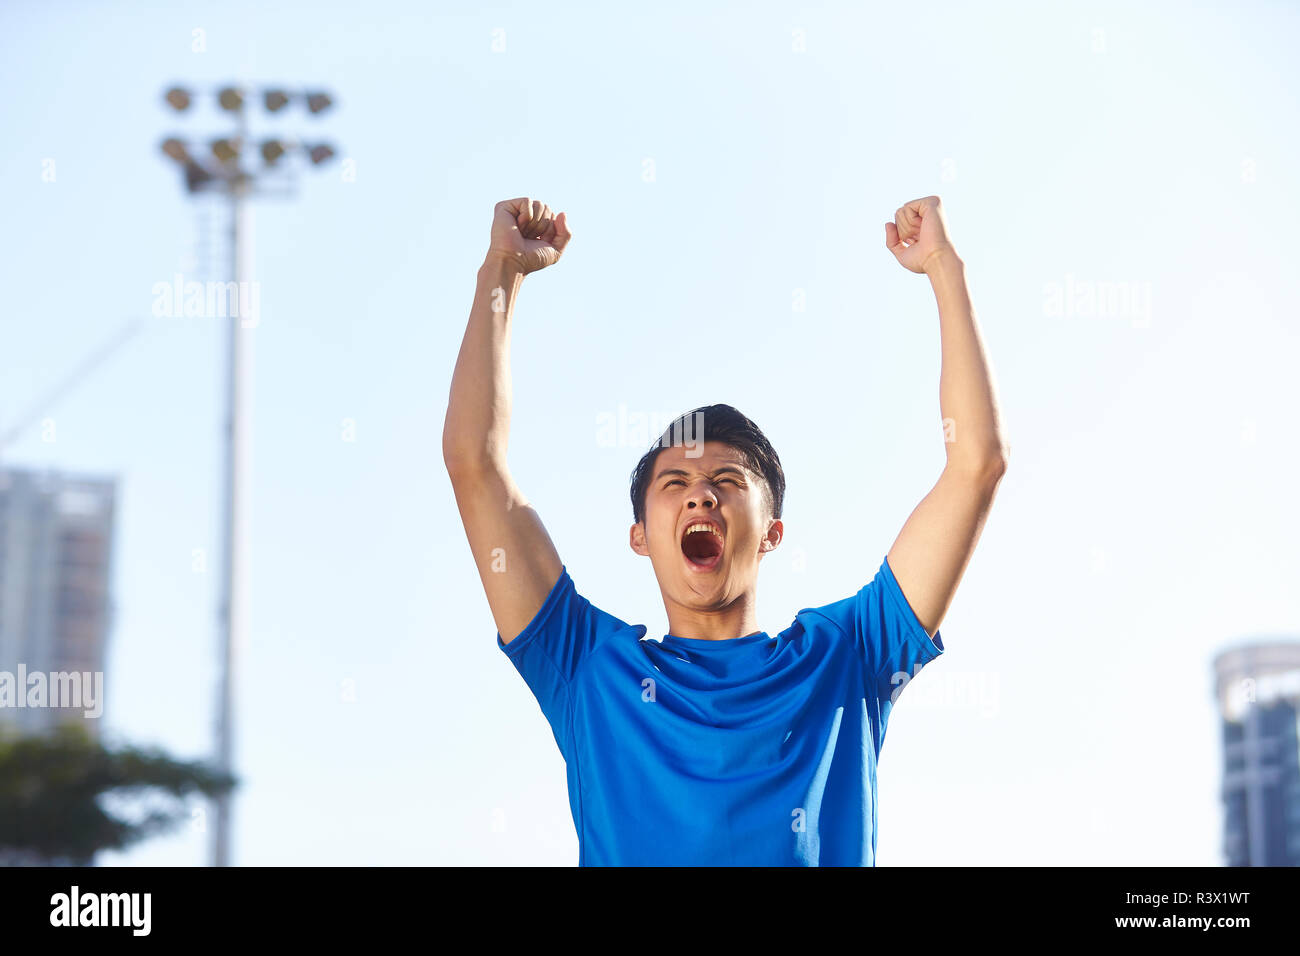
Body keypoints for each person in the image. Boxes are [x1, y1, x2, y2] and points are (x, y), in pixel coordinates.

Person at [442, 196, 1008, 865]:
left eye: (729, 483)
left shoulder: (846, 658)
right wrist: (500, 271)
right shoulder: (589, 670)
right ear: (640, 536)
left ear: (771, 532)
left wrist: (945, 266)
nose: (701, 496)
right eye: (674, 485)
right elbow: (474, 465)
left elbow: (976, 465)